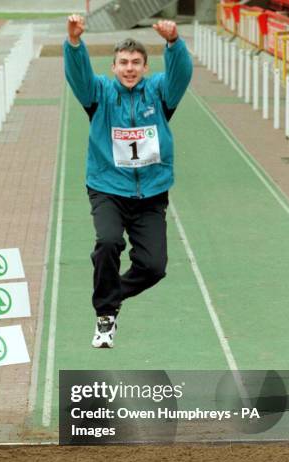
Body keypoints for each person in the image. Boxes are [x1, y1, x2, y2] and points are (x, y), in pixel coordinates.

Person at [64, 14, 193, 348]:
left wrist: (174, 43)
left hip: (151, 193)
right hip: (108, 188)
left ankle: (109, 292)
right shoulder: (100, 95)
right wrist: (75, 43)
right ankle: (105, 316)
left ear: (146, 67)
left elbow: (182, 73)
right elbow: (79, 76)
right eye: (123, 63)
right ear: (113, 67)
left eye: (136, 63)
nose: (130, 68)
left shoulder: (160, 93)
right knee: (108, 242)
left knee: (153, 267)